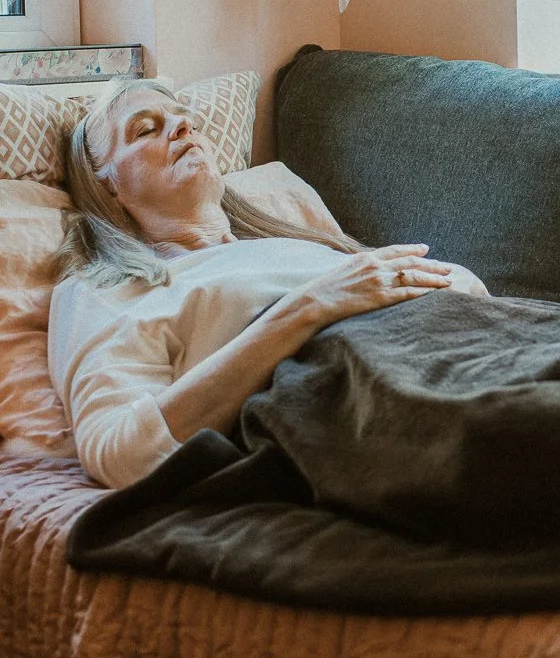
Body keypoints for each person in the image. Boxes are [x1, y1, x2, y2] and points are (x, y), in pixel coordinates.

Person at [48, 77, 484, 489]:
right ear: (105, 185)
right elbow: (118, 452)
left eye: (187, 120)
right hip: (376, 400)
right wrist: (308, 307)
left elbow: (466, 286)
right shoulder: (104, 287)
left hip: (471, 350)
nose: (183, 126)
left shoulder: (298, 248)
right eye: (146, 130)